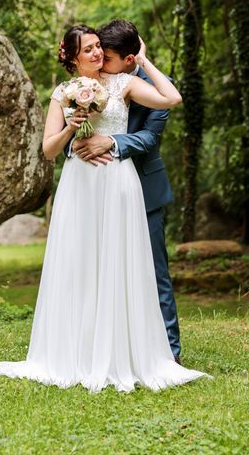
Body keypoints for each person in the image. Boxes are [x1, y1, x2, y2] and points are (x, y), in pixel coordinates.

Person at [0, 25, 209, 392]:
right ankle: (78, 351)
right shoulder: (63, 93)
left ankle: (135, 352)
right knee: (79, 262)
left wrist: (143, 60)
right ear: (73, 58)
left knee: (123, 262)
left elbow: (171, 99)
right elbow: (48, 150)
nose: (97, 54)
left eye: (99, 48)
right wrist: (71, 127)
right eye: (90, 49)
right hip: (80, 184)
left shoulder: (124, 83)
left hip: (118, 181)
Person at [67, 20, 182, 363]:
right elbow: (68, 129)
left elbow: (149, 139)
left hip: (143, 189)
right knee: (101, 268)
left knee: (153, 271)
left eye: (109, 56)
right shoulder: (86, 85)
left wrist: (112, 142)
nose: (100, 59)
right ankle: (107, 347)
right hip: (96, 190)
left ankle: (169, 353)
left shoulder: (150, 86)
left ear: (129, 59)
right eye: (97, 51)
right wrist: (79, 143)